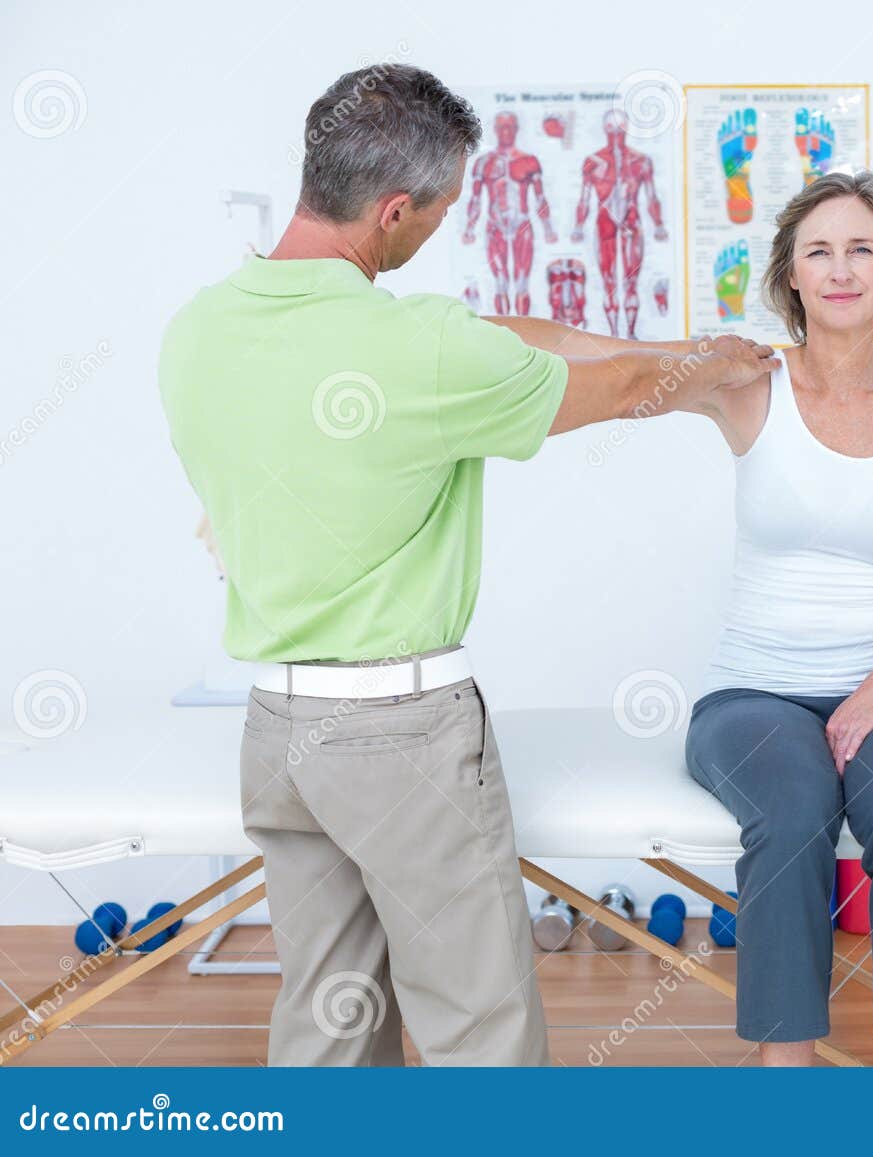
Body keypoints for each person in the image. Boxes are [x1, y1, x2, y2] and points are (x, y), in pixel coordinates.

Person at [158, 64, 775, 1067]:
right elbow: (618, 390)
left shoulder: (199, 331)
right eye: (439, 212)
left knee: (328, 1017)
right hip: (401, 736)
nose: (439, 230)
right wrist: (711, 370)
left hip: (278, 731)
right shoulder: (416, 350)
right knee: (476, 1032)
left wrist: (676, 340)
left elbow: (496, 337)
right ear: (395, 208)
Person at [683, 170, 873, 1066]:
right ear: (790, 276)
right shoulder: (750, 389)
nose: (841, 268)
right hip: (753, 693)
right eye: (818, 251)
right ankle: (790, 1081)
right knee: (790, 811)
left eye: (862, 247)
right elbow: (638, 383)